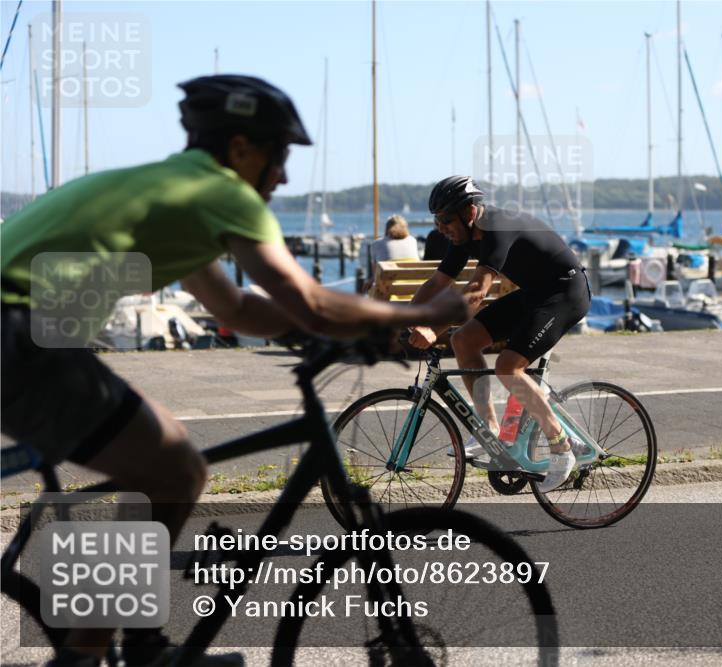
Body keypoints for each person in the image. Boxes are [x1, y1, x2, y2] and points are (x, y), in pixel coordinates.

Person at [0, 75, 466, 667]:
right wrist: (422, 313)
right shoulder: (223, 193)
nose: (284, 177)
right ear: (241, 148)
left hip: (27, 333)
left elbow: (237, 309)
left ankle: (133, 644)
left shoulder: (172, 190)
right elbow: (311, 300)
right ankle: (93, 657)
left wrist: (322, 332)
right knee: (174, 469)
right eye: (280, 156)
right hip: (20, 334)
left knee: (160, 464)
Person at [407, 176, 591, 493]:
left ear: (469, 212)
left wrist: (433, 329)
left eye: (446, 219)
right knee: (463, 340)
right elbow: (437, 282)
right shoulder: (462, 238)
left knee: (508, 367)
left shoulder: (497, 227)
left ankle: (561, 447)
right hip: (534, 294)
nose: (441, 227)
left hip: (565, 293)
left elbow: (476, 293)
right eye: (436, 221)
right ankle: (489, 428)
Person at [364, 214, 419, 292]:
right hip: (413, 293)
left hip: (389, 294)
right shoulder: (412, 241)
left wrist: (369, 281)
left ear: (386, 229)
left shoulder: (376, 244)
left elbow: (375, 276)